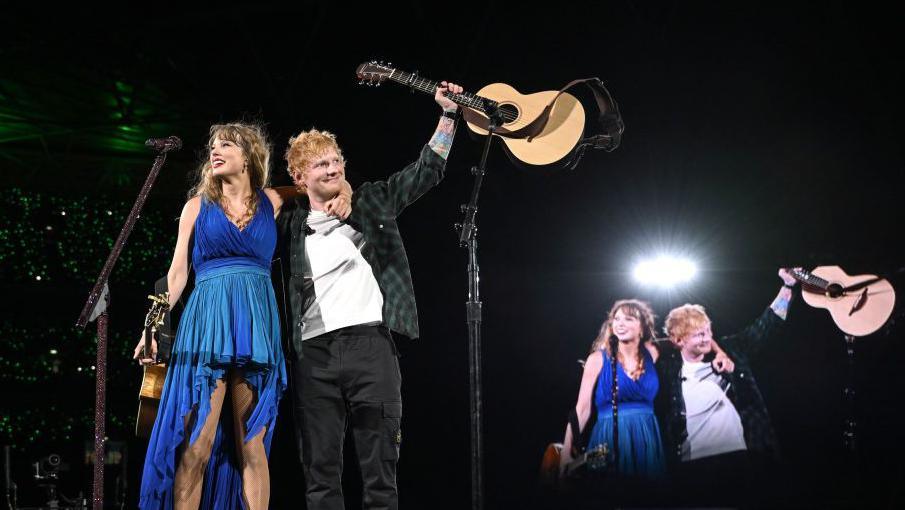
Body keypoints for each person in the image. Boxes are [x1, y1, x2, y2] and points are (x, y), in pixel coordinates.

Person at [132, 122, 350, 509]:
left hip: (256, 326)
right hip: (208, 324)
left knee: (252, 445)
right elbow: (178, 272)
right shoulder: (196, 207)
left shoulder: (273, 200)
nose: (215, 151)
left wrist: (344, 188)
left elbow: (321, 184)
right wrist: (153, 324)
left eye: (226, 145)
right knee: (197, 444)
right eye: (213, 146)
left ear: (248, 156)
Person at [275, 81, 463, 510]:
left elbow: (425, 171)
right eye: (320, 164)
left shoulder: (372, 202)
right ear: (300, 176)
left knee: (381, 474)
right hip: (313, 355)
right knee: (320, 477)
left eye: (337, 160)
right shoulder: (289, 228)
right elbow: (258, 201)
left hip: (372, 348)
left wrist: (449, 116)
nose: (333, 168)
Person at [656, 268, 799, 506]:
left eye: (707, 331)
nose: (705, 338)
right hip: (694, 461)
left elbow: (767, 325)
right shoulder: (668, 369)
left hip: (739, 455)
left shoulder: (732, 351)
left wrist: (788, 287)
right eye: (697, 334)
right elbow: (646, 346)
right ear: (678, 340)